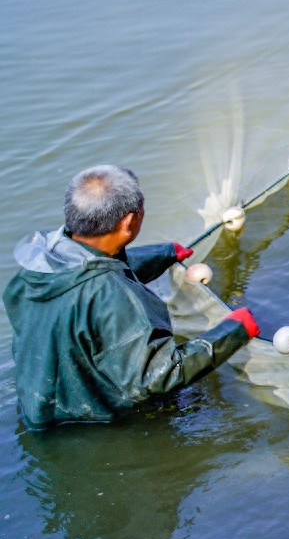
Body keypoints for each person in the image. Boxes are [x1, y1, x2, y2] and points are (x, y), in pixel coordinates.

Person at [5, 166, 256, 429]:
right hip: (88, 424)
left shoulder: (36, 267)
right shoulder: (114, 296)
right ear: (128, 222)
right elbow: (158, 375)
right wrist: (234, 330)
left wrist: (163, 254)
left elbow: (90, 272)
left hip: (37, 407)